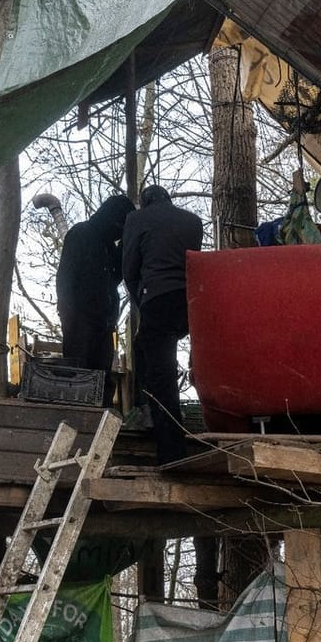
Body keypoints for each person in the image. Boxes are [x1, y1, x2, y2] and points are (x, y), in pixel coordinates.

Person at [121, 184, 203, 461]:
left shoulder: (136, 219)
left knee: (162, 374)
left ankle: (171, 452)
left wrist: (140, 300)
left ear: (144, 203)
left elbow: (129, 268)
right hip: (192, 299)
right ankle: (152, 411)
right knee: (146, 348)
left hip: (158, 298)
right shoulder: (192, 221)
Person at [54, 193, 133, 376]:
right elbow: (65, 277)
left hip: (103, 323)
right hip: (80, 321)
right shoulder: (80, 234)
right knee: (80, 376)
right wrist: (69, 316)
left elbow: (114, 277)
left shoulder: (108, 244)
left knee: (101, 376)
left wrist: (123, 247)